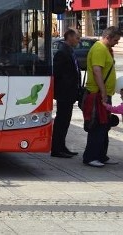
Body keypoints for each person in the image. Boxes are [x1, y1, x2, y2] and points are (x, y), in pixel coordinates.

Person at [82, 26, 120, 167]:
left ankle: (101, 155)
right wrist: (103, 92)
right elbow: (97, 71)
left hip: (103, 94)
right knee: (97, 126)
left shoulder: (105, 49)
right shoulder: (99, 49)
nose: (116, 43)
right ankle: (91, 157)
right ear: (108, 37)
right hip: (98, 95)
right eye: (115, 40)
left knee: (105, 126)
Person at [51, 28, 81, 158]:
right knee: (61, 121)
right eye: (77, 38)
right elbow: (57, 74)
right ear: (69, 37)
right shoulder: (62, 53)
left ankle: (62, 146)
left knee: (66, 120)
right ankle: (57, 148)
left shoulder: (69, 51)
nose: (78, 40)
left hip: (69, 93)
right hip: (64, 93)